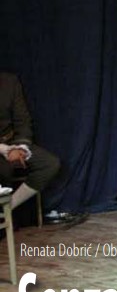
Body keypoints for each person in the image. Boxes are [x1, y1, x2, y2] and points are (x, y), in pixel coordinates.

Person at [0, 72, 82, 225]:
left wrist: (21, 147)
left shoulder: (9, 82)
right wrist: (3, 149)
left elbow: (22, 121)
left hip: (10, 143)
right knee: (5, 171)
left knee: (49, 164)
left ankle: (7, 208)